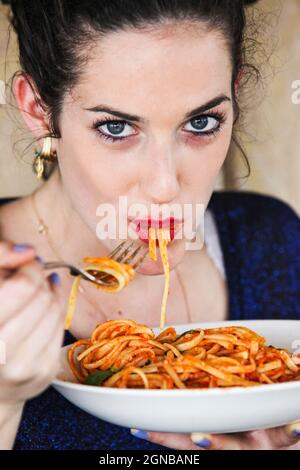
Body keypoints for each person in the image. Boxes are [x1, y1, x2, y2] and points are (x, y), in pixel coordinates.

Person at [0, 0, 299, 450]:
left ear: (234, 95)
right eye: (117, 128)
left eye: (201, 122)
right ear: (39, 109)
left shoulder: (270, 237)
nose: (164, 187)